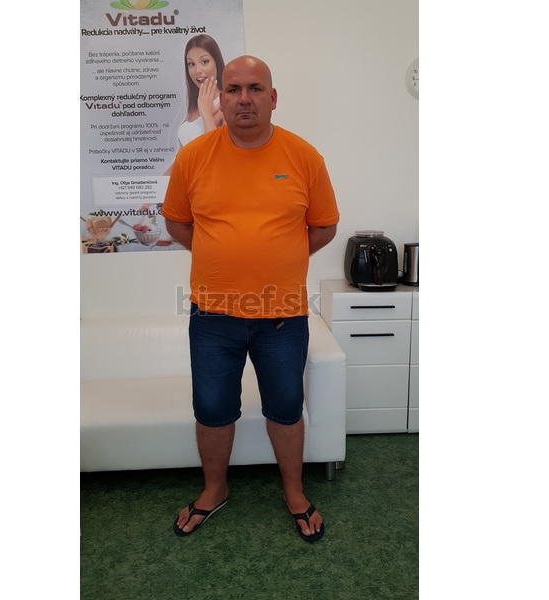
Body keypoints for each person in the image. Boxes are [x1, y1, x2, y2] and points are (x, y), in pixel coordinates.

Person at [162, 55, 339, 543]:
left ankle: (294, 493)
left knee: (285, 407)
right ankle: (214, 489)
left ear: (272, 98)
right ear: (220, 98)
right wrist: (223, 252)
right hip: (212, 315)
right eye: (234, 89)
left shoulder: (304, 157)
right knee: (212, 408)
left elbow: (324, 227)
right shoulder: (195, 157)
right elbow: (177, 222)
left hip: (282, 316)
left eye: (255, 89)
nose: (244, 99)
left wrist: (277, 255)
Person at [177, 34, 226, 147]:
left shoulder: (227, 104)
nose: (197, 70)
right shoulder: (195, 105)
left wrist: (207, 115)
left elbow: (219, 153)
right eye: (191, 64)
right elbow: (182, 155)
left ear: (216, 62)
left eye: (204, 62)